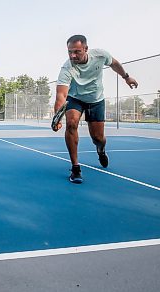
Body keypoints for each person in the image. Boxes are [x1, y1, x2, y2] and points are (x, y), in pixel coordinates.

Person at [53, 35, 138, 183]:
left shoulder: (100, 55)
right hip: (75, 98)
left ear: (86, 49)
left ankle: (101, 150)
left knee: (98, 138)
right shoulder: (67, 68)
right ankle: (75, 168)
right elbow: (61, 94)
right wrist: (57, 117)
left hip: (96, 99)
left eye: (77, 51)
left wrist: (126, 77)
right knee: (71, 124)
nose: (73, 55)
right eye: (70, 52)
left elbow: (115, 63)